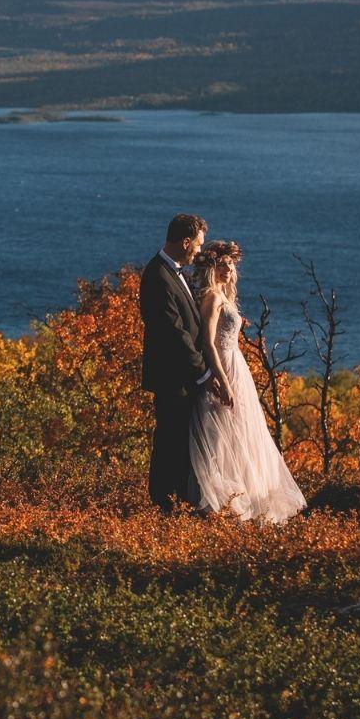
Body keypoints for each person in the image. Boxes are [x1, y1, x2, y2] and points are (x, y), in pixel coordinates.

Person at [188, 240, 307, 524]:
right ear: (211, 268)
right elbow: (207, 343)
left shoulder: (224, 297)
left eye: (231, 264)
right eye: (222, 264)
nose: (228, 268)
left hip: (237, 367)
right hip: (225, 368)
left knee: (242, 433)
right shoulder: (212, 299)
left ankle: (243, 498)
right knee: (222, 435)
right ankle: (222, 503)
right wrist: (222, 380)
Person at [138, 213, 227, 513]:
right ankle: (164, 506)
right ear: (185, 242)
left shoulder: (173, 272)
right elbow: (174, 333)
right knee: (170, 442)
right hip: (172, 377)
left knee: (181, 442)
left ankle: (178, 503)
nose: (199, 252)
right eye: (198, 245)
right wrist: (203, 372)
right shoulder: (158, 276)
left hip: (182, 377)